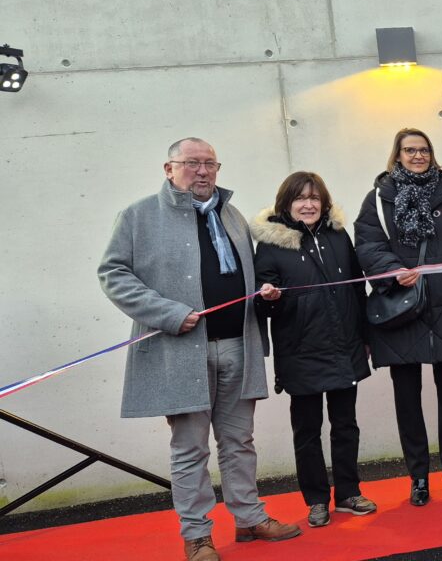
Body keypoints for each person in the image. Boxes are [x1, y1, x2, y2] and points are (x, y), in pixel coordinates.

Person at [99, 138, 300, 561]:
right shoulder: (139, 216)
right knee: (190, 449)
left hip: (238, 348)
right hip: (181, 353)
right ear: (168, 168)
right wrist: (168, 312)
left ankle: (249, 518)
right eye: (192, 163)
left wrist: (263, 294)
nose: (203, 171)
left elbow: (242, 278)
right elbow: (113, 274)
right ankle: (196, 535)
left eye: (210, 163)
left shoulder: (231, 214)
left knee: (240, 442)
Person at [353, 128, 442, 506]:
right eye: (409, 150)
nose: (417, 156)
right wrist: (390, 269)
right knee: (408, 400)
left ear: (431, 154)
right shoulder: (378, 198)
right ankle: (418, 476)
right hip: (402, 309)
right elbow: (368, 244)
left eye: (423, 150)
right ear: (397, 155)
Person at [250, 171, 376, 528]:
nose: (308, 204)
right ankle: (317, 500)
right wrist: (268, 297)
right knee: (307, 431)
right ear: (286, 204)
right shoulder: (273, 244)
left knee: (346, 425)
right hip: (300, 350)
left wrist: (365, 335)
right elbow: (262, 304)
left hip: (344, 345)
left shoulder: (338, 235)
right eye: (300, 198)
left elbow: (357, 287)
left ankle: (349, 493)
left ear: (324, 203)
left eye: (315, 198)